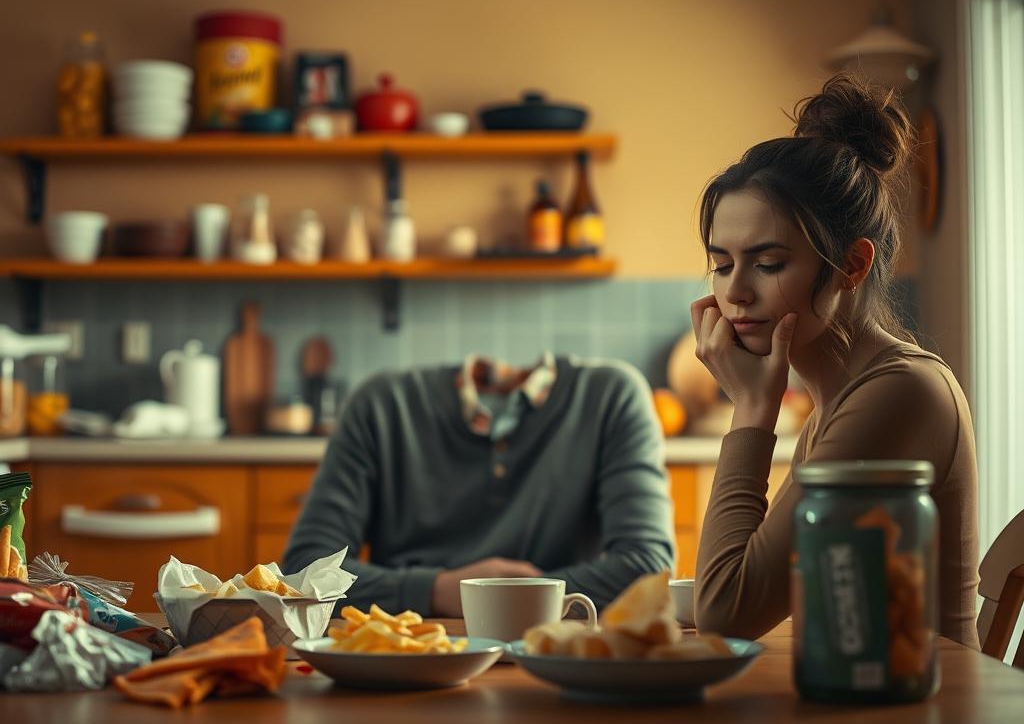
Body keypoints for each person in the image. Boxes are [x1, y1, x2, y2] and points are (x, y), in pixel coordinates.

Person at [690, 74, 979, 647]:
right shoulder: (841, 400)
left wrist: (751, 408)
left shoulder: (898, 393)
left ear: (852, 264)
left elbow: (725, 610)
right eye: (722, 265)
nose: (736, 293)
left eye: (768, 263)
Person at [283, 352, 674, 616]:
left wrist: (502, 595)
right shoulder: (381, 404)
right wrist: (442, 590)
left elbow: (649, 569)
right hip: (406, 659)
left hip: (554, 656)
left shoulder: (612, 397)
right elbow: (305, 574)